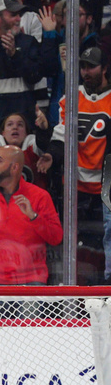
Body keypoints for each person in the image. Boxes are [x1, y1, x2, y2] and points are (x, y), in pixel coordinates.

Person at [49, 46, 111, 282]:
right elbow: (61, 132)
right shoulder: (72, 96)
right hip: (75, 186)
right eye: (83, 66)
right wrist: (52, 156)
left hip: (106, 188)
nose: (86, 71)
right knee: (75, 242)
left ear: (104, 68)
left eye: (91, 66)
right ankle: (72, 286)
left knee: (106, 241)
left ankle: (106, 286)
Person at [0, 145, 62, 286]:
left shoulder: (40, 196)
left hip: (31, 280)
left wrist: (33, 216)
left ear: (14, 168)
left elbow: (56, 238)